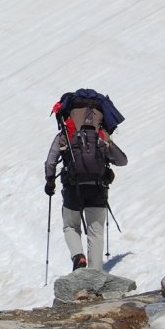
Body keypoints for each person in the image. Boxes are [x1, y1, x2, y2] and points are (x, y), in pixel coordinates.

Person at [44, 102, 127, 271]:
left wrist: (50, 182)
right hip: (97, 189)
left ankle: (78, 257)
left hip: (72, 188)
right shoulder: (100, 134)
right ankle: (95, 273)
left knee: (70, 226)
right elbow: (122, 161)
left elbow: (50, 162)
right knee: (95, 233)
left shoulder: (65, 134)